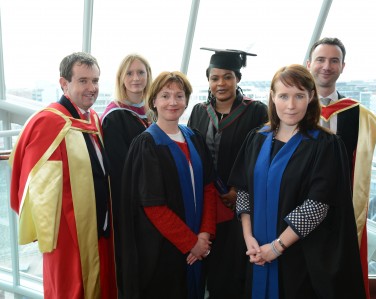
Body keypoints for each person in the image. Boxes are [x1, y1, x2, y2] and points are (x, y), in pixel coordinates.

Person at [229, 64, 366, 298]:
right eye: (283, 96)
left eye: (299, 96)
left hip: (299, 257)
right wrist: (248, 237)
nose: (290, 105)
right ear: (272, 97)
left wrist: (276, 247)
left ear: (311, 97)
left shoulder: (325, 145)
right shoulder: (256, 139)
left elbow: (317, 206)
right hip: (256, 250)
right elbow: (244, 191)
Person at [9, 52, 117, 298]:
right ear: (64, 84)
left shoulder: (93, 120)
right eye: (83, 81)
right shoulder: (48, 123)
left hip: (99, 229)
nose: (91, 88)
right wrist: (43, 230)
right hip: (68, 238)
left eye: (95, 81)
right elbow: (28, 181)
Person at [119, 71, 217, 299]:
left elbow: (209, 188)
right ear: (153, 101)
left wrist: (205, 235)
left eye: (179, 96)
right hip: (164, 250)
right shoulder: (147, 144)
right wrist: (191, 243)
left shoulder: (194, 137)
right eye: (165, 96)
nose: (173, 102)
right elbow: (153, 206)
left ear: (186, 100)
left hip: (198, 244)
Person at [188, 48, 268, 298]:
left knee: (232, 267)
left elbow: (260, 156)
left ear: (238, 79)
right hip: (206, 201)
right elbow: (194, 154)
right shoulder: (199, 111)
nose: (220, 83)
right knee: (203, 259)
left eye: (228, 77)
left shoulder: (256, 111)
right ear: (208, 80)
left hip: (240, 203)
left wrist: (237, 189)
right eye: (214, 78)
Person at [307, 37, 376, 296]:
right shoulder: (294, 109)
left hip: (341, 210)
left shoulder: (360, 115)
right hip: (299, 207)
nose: (326, 66)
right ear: (309, 64)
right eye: (320, 59)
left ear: (342, 67)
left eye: (334, 61)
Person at [100, 53, 152, 297]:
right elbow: (121, 171)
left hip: (154, 203)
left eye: (141, 72)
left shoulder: (152, 113)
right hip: (131, 206)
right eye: (129, 73)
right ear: (121, 78)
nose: (136, 78)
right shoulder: (115, 117)